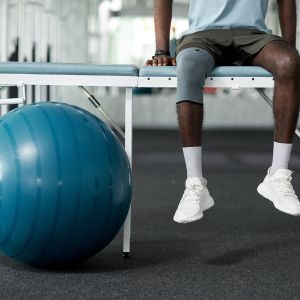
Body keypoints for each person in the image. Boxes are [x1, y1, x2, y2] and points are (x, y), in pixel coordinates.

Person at [145, 0, 300, 223]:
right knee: (187, 66)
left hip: (254, 34)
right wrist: (161, 49)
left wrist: (289, 46)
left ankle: (278, 175)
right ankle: (195, 183)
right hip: (202, 34)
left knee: (289, 62)